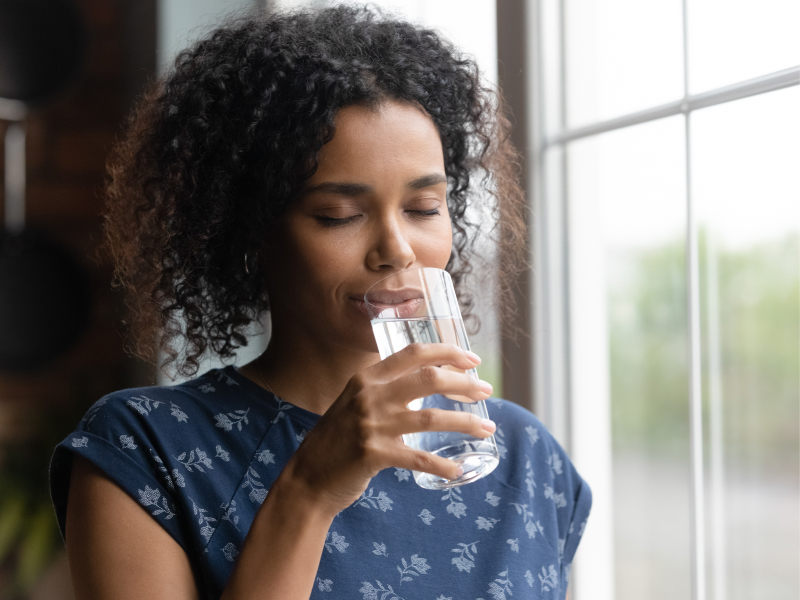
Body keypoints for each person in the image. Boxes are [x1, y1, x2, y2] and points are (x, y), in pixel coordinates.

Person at [50, 6, 591, 599]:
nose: (397, 249)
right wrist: (308, 490)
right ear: (250, 232)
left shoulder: (525, 456)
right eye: (340, 215)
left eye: (423, 208)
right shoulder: (144, 449)